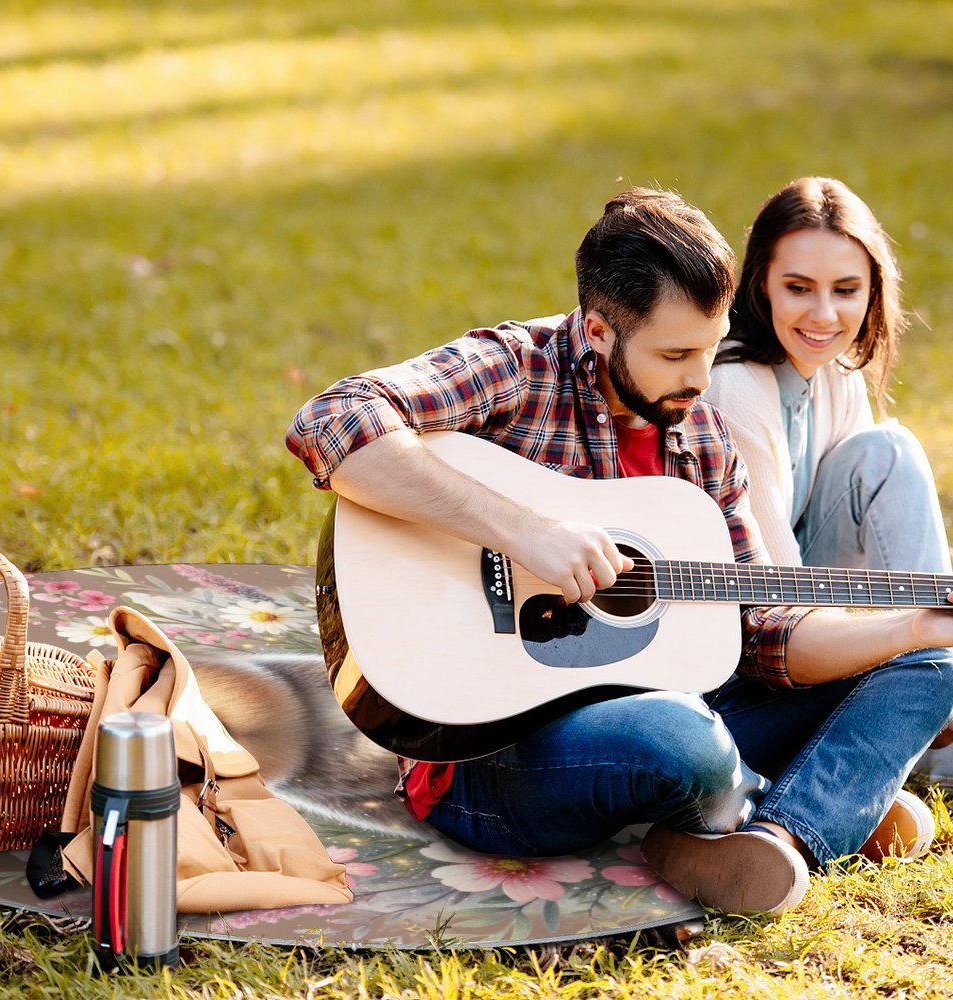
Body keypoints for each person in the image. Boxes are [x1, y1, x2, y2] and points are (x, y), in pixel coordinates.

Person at [286, 187, 953, 916]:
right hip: (492, 754)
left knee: (933, 665)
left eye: (710, 346)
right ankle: (810, 796)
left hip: (681, 709)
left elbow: (762, 629)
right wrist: (522, 530)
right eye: (675, 354)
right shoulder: (517, 367)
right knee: (681, 741)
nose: (701, 380)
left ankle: (782, 836)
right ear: (599, 330)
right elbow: (333, 419)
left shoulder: (701, 435)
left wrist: (909, 628)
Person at [706, 176, 953, 808]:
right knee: (889, 451)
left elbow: (874, 530)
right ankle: (928, 705)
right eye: (798, 288)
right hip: (750, 643)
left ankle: (934, 693)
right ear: (759, 282)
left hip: (814, 605)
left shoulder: (834, 372)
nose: (824, 315)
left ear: (872, 290)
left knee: (886, 450)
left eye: (846, 290)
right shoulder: (737, 388)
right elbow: (774, 603)